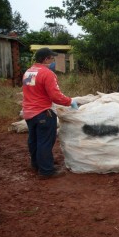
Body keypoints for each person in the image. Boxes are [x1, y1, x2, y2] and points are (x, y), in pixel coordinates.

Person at [22, 47, 79, 179]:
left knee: (34, 140)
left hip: (29, 113)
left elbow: (31, 91)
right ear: (46, 59)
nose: (53, 61)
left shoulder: (29, 72)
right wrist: (70, 101)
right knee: (45, 142)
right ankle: (46, 171)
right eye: (52, 58)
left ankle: (36, 164)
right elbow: (55, 96)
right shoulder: (47, 73)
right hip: (43, 112)